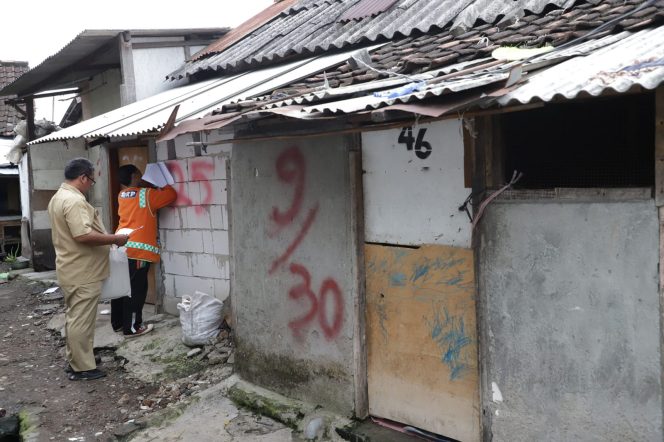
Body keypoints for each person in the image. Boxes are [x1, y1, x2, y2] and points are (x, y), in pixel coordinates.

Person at [48, 158, 129, 381]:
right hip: (82, 270)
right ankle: (82, 368)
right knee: (81, 319)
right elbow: (83, 235)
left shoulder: (58, 197)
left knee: (76, 317)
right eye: (91, 180)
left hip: (72, 267)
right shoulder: (74, 201)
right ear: (83, 177)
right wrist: (115, 239)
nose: (91, 184)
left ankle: (78, 358)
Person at [111, 164, 176, 338]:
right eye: (140, 174)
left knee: (120, 287)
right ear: (134, 176)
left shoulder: (122, 195)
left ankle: (118, 323)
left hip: (121, 247)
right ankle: (132, 328)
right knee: (136, 290)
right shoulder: (146, 195)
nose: (143, 177)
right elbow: (171, 195)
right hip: (138, 251)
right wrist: (161, 183)